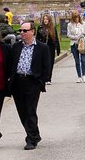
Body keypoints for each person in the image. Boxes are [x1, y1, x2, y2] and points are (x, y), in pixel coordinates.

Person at [9, 20, 52, 150]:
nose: (21, 33)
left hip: (32, 82)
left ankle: (31, 139)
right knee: (22, 111)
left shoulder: (42, 47)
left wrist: (41, 81)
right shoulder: (16, 47)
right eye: (20, 31)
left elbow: (47, 66)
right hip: (18, 82)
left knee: (30, 110)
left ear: (32, 31)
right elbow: (11, 64)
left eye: (24, 31)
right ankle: (35, 134)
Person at [67, 16, 85, 82]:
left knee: (83, 60)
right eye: (75, 18)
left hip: (82, 44)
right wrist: (75, 37)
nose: (76, 19)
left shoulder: (83, 24)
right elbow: (68, 34)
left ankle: (83, 75)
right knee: (77, 61)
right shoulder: (70, 25)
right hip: (74, 44)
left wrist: (82, 35)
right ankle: (79, 76)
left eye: (77, 18)